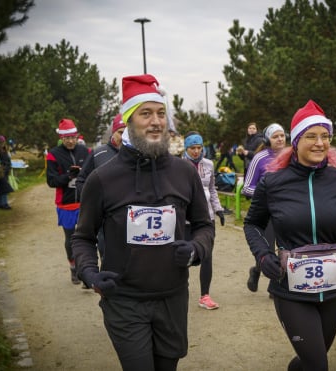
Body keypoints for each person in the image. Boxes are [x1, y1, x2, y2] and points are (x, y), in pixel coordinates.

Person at [72, 74, 214, 371]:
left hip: (172, 298)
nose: (156, 122)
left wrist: (194, 250)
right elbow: (82, 237)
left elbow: (204, 225)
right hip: (124, 300)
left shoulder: (183, 173)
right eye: (146, 113)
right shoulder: (103, 179)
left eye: (161, 113)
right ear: (128, 121)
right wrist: (90, 274)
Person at [244, 100, 336, 371]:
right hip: (291, 289)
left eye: (325, 136)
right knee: (318, 364)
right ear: (296, 140)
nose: (320, 143)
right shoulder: (273, 182)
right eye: (311, 136)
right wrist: (263, 256)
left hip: (333, 288)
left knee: (311, 360)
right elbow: (252, 224)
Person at [182, 131, 225, 310]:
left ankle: (205, 296)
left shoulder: (208, 164)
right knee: (183, 257)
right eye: (192, 148)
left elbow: (212, 189)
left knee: (206, 256)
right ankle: (179, 293)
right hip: (185, 220)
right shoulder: (178, 165)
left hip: (206, 218)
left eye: (199, 147)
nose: (196, 151)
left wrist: (219, 209)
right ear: (186, 148)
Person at [242, 123, 286, 293]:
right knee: (267, 248)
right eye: (275, 136)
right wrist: (268, 196)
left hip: (285, 212)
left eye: (282, 135)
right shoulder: (260, 158)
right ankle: (256, 270)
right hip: (265, 213)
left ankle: (274, 285)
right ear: (268, 139)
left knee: (285, 247)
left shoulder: (292, 156)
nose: (280, 139)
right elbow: (247, 187)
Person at [76, 113, 126, 261]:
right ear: (113, 132)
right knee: (107, 258)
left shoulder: (138, 155)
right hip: (105, 219)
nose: (123, 137)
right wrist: (92, 204)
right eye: (120, 133)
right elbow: (81, 181)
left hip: (130, 219)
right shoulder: (99, 153)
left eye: (128, 133)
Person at [46, 119, 90, 285]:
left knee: (86, 238)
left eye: (73, 137)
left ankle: (85, 271)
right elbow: (51, 181)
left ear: (77, 136)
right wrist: (68, 177)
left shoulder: (85, 151)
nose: (71, 141)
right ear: (61, 138)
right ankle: (74, 267)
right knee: (71, 238)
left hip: (85, 202)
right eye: (67, 138)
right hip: (66, 204)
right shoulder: (53, 154)